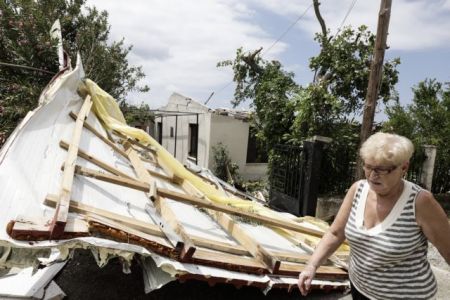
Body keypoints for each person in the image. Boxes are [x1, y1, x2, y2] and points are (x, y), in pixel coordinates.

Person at [297, 132, 450, 299]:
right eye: (368, 166)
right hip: (360, 289)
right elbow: (335, 233)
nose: (372, 175)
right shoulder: (358, 190)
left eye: (382, 169)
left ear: (404, 167)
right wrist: (312, 265)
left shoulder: (420, 202)